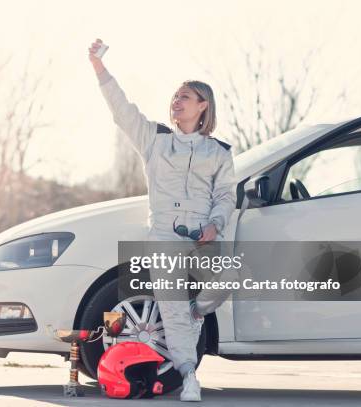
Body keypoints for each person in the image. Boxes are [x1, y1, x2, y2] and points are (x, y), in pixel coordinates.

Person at [88, 38, 236, 402]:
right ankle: (189, 377)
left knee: (228, 276)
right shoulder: (155, 141)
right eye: (175, 96)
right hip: (164, 236)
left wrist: (215, 224)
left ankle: (196, 310)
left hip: (203, 236)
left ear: (203, 105)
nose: (176, 101)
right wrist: (99, 67)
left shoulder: (219, 153)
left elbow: (226, 196)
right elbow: (122, 110)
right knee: (171, 311)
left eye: (184, 96)